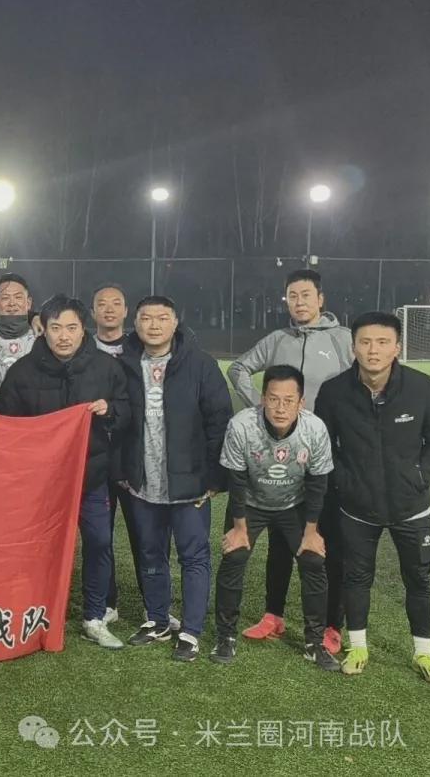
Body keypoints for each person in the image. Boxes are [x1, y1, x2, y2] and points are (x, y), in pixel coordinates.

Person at [226, 269, 353, 653]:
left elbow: (359, 382)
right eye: (292, 296)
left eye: (306, 295)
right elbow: (238, 368)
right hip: (280, 458)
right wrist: (260, 407)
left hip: (326, 455)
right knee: (281, 543)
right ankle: (274, 615)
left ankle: (331, 624)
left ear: (321, 299)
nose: (299, 302)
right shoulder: (277, 339)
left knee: (325, 542)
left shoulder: (342, 339)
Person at [314, 311, 430, 683]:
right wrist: (345, 482)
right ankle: (358, 647)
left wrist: (420, 477)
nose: (373, 350)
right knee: (356, 577)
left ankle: (424, 652)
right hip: (356, 508)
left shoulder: (422, 387)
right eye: (366, 342)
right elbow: (324, 446)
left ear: (397, 347)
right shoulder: (334, 391)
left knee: (419, 579)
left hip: (411, 507)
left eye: (383, 342)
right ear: (353, 347)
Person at [0, 295, 131, 648]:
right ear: (43, 329)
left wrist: (109, 410)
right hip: (40, 481)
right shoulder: (22, 371)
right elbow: (7, 425)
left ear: (83, 329)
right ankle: (30, 611)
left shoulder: (105, 367)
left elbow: (126, 410)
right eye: (55, 328)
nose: (64, 336)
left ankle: (95, 615)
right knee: (35, 547)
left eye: (71, 327)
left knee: (99, 542)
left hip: (90, 477)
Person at [120, 295, 233, 662]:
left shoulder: (200, 364)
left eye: (162, 318)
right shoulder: (124, 364)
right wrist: (124, 471)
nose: (154, 325)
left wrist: (215, 477)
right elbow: (118, 423)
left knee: (193, 557)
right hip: (143, 483)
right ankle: (157, 620)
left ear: (175, 322)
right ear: (136, 323)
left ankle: (191, 631)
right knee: (151, 554)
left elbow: (219, 421)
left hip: (189, 485)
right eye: (146, 318)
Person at [210, 365, 341, 671]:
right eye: (273, 399)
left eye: (288, 400)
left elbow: (318, 484)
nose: (280, 408)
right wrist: (239, 528)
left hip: (294, 504)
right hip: (250, 503)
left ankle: (314, 643)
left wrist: (311, 532)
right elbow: (236, 480)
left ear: (301, 402)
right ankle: (225, 636)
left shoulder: (314, 429)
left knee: (313, 561)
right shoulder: (242, 425)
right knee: (234, 556)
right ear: (262, 399)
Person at [90, 283, 139, 626]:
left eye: (116, 303)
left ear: (126, 311)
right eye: (102, 304)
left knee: (145, 534)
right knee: (100, 536)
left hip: (134, 454)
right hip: (94, 456)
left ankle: (155, 604)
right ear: (92, 312)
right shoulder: (81, 347)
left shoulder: (140, 346)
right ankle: (107, 602)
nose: (109, 309)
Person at [0, 273, 38, 368]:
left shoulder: (40, 339)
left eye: (18, 297)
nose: (12, 303)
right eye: (5, 298)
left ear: (28, 303)